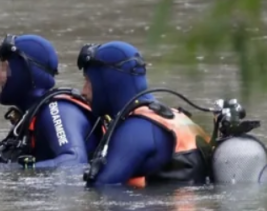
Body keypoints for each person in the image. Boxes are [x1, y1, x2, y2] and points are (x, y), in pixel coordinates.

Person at [0, 33, 100, 172]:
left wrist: (1, 169)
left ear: (23, 72)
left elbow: (74, 162)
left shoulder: (57, 110)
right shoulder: (29, 116)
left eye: (4, 68)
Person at [77, 41, 212, 187]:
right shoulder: (173, 117)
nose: (83, 91)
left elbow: (99, 189)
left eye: (88, 81)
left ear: (108, 83)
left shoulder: (135, 130)